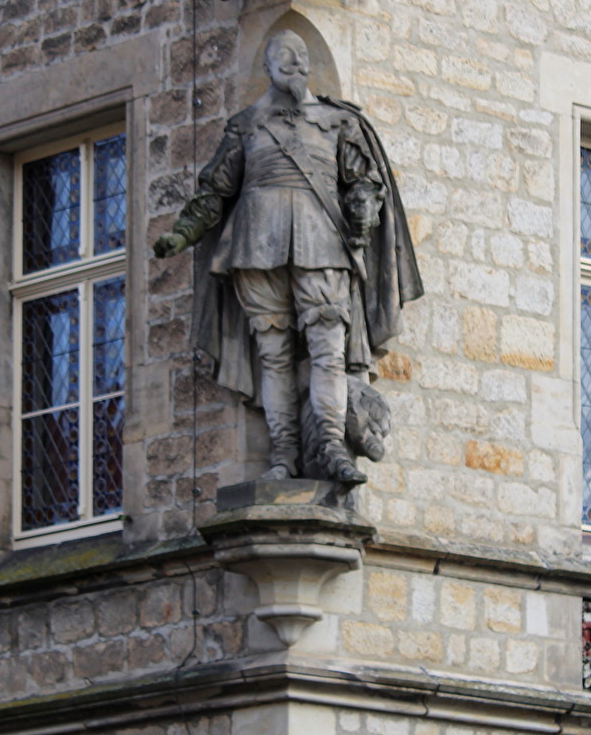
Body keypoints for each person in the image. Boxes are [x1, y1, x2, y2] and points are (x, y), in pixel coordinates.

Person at [154, 30, 422, 484]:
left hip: (322, 239)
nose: (293, 62)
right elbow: (215, 192)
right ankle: (282, 455)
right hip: (256, 242)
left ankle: (333, 445)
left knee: (327, 352)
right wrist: (181, 235)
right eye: (282, 55)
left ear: (309, 64)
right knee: (274, 357)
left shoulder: (339, 122)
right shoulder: (245, 125)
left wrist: (363, 209)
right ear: (267, 66)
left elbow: (364, 180)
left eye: (300, 55)